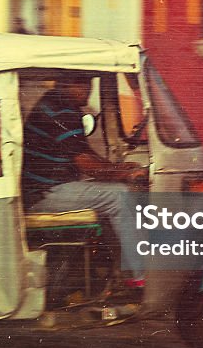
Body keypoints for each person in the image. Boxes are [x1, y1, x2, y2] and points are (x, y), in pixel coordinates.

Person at [22, 73, 148, 281]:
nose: (87, 89)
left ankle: (119, 272)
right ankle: (143, 276)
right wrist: (125, 173)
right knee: (119, 196)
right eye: (80, 83)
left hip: (50, 188)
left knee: (113, 192)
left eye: (88, 82)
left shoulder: (58, 105)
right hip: (42, 194)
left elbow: (84, 153)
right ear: (64, 83)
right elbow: (86, 164)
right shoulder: (60, 111)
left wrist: (118, 168)